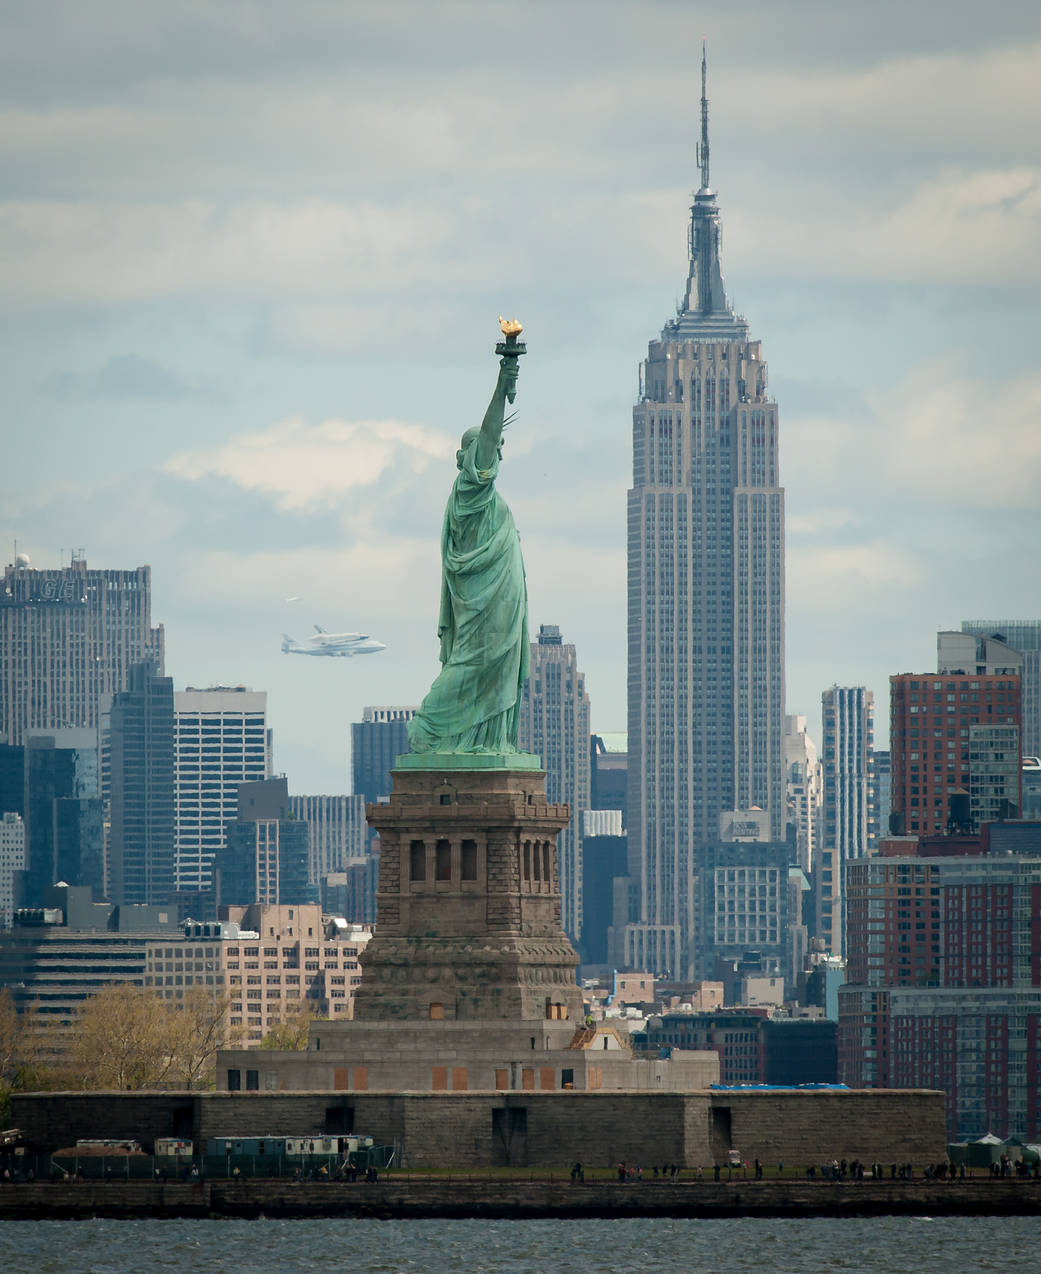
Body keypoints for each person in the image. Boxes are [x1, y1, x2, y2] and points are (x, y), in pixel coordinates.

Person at [408, 327, 529, 757]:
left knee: (496, 666)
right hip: (482, 599)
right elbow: (491, 431)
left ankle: (490, 739)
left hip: (501, 595)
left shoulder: (482, 496)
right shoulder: (469, 490)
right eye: (487, 449)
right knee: (473, 663)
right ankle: (432, 727)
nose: (495, 453)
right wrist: (506, 371)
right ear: (473, 455)